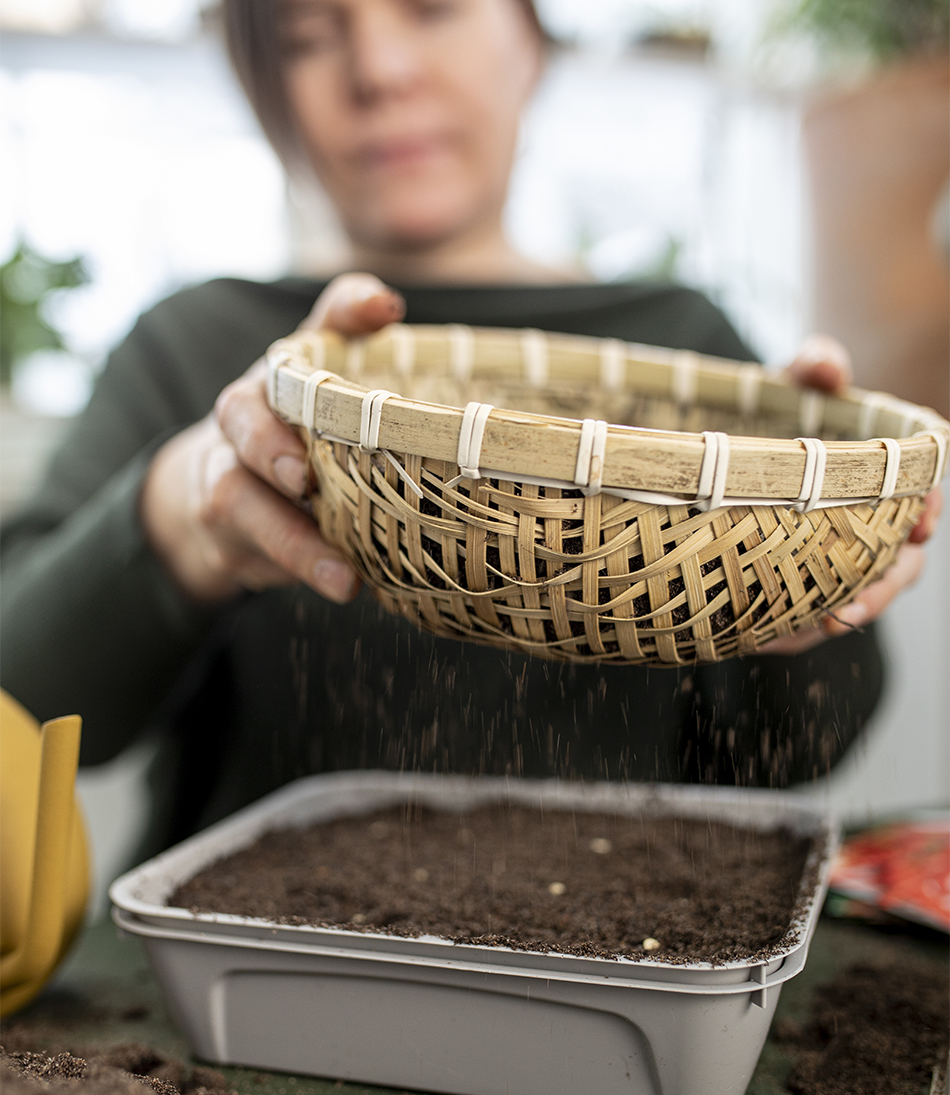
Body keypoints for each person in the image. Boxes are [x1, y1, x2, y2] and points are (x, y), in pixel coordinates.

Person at [1, 0, 941, 857]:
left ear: (532, 39)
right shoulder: (202, 348)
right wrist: (182, 512)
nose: (378, 71)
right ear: (262, 87)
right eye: (305, 37)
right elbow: (24, 700)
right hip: (246, 975)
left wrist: (812, 572)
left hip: (615, 963)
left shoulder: (687, 349)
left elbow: (797, 750)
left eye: (432, 10)